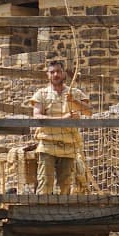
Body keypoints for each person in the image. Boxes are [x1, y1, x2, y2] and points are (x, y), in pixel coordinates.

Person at [30, 59, 91, 195]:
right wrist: (63, 119)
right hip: (47, 144)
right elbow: (37, 116)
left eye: (58, 71)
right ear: (48, 75)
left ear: (64, 74)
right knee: (45, 183)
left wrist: (74, 101)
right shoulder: (42, 94)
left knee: (66, 185)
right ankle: (41, 214)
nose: (56, 75)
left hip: (68, 145)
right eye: (52, 72)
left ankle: (62, 213)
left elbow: (89, 111)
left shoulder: (74, 92)